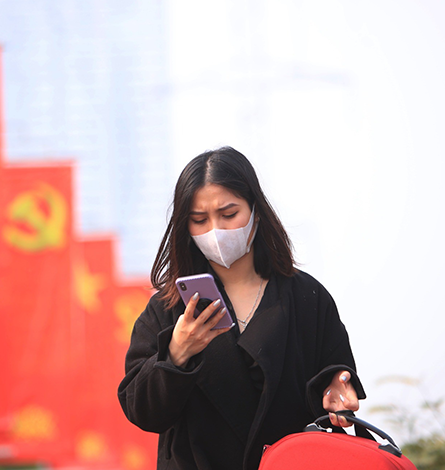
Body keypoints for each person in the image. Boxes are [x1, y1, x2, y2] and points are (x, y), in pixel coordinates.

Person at [117, 147, 366, 470]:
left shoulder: (308, 298)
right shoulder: (167, 309)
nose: (215, 231)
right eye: (199, 220)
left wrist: (338, 394)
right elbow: (142, 411)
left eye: (229, 213)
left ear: (256, 211)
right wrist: (175, 355)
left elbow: (336, 381)